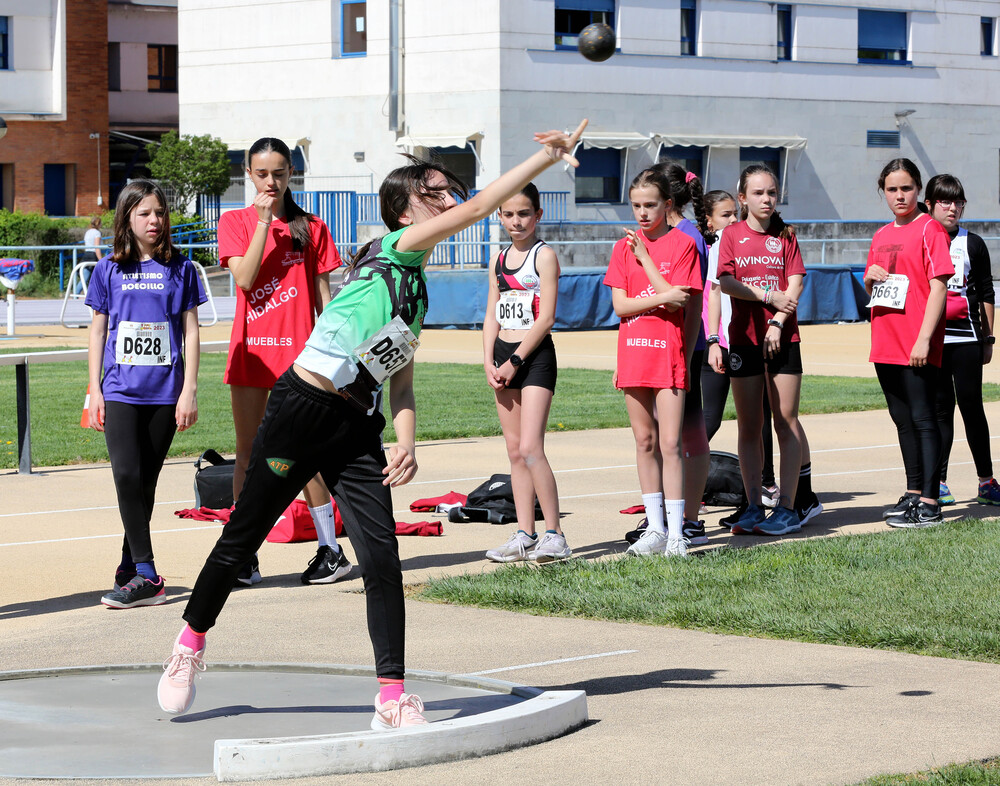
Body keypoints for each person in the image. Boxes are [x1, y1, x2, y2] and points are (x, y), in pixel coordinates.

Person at [156, 120, 589, 729]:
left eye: (448, 191)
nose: (449, 200)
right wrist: (545, 157)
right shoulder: (394, 248)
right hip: (301, 408)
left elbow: (401, 379)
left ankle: (391, 696)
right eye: (435, 192)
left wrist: (405, 440)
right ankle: (189, 645)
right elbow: (485, 204)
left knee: (382, 559)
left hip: (356, 425)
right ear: (405, 210)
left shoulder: (416, 293)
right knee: (242, 535)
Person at [218, 137, 344, 586]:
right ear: (249, 176)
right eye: (262, 174)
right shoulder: (234, 221)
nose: (271, 181)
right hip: (251, 355)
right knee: (249, 454)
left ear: (292, 173)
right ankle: (244, 555)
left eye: (279, 173)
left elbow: (325, 302)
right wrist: (262, 223)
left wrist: (336, 357)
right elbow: (247, 279)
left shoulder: (312, 226)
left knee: (301, 457)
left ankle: (331, 549)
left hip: (300, 361)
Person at [85, 180, 205, 608]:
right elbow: (98, 330)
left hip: (164, 394)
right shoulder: (108, 269)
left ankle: (128, 566)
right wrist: (93, 389)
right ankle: (149, 574)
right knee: (126, 476)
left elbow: (191, 332)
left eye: (159, 213)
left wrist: (188, 389)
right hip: (119, 390)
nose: (154, 221)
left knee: (145, 484)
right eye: (144, 214)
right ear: (127, 219)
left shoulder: (182, 269)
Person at [604, 166, 702, 557]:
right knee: (644, 442)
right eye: (636, 206)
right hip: (634, 354)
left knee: (671, 443)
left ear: (667, 204)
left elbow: (681, 299)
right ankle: (655, 528)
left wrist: (645, 260)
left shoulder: (682, 244)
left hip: (669, 356)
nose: (643, 213)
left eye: (650, 205)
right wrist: (656, 296)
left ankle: (678, 533)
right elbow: (620, 305)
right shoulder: (620, 247)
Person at [717, 164, 818, 536]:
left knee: (785, 420)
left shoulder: (786, 235)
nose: (767, 199)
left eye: (772, 192)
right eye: (758, 193)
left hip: (783, 340)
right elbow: (726, 282)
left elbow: (796, 284)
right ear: (742, 198)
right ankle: (754, 506)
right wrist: (764, 296)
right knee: (749, 425)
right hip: (743, 338)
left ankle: (789, 508)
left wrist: (776, 320)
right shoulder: (731, 235)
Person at [483, 184, 570, 563]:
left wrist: (514, 360)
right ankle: (524, 534)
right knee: (515, 452)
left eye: (523, 214)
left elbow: (547, 317)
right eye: (507, 214)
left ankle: (555, 534)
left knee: (533, 448)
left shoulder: (544, 256)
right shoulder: (498, 260)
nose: (515, 221)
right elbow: (492, 313)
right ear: (498, 216)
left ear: (537, 216)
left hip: (532, 358)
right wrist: (488, 359)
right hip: (502, 355)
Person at [864, 158, 954, 528]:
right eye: (892, 189)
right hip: (885, 341)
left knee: (923, 418)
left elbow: (939, 286)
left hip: (916, 343)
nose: (900, 196)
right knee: (902, 420)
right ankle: (914, 491)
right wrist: (868, 278)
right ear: (883, 192)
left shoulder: (929, 229)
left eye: (907, 188)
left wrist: (924, 338)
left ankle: (931, 501)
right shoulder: (882, 235)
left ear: (919, 189)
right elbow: (873, 291)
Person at [703, 191, 783, 527]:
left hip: (753, 340)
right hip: (726, 342)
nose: (732, 220)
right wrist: (713, 341)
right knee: (710, 418)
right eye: (725, 215)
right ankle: (674, 480)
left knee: (759, 417)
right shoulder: (720, 243)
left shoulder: (752, 240)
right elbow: (714, 294)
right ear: (709, 221)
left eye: (734, 213)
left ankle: (765, 487)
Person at [924, 174, 999, 506]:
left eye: (958, 202)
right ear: (929, 205)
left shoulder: (973, 243)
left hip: (967, 338)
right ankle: (939, 482)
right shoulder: (922, 239)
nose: (952, 208)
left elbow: (985, 292)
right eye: (945, 202)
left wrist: (988, 337)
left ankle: (986, 481)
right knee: (940, 411)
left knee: (972, 408)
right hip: (934, 341)